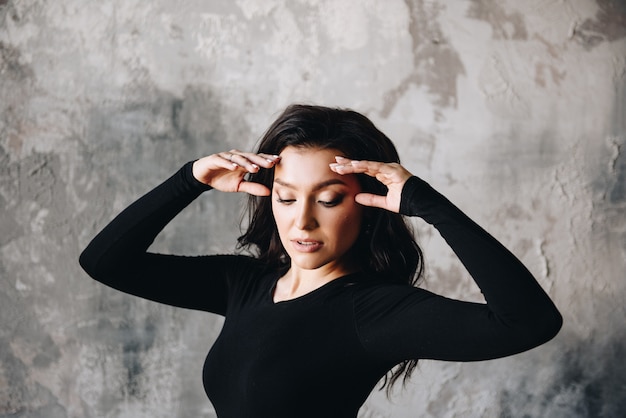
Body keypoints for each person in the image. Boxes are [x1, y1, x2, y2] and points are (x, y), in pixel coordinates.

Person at [79, 104, 562, 418]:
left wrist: (426, 202)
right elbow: (105, 262)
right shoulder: (244, 283)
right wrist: (190, 179)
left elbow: (529, 323)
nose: (302, 223)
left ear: (370, 203)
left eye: (328, 201)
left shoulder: (373, 313)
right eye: (286, 199)